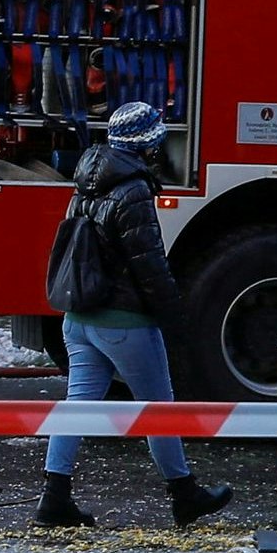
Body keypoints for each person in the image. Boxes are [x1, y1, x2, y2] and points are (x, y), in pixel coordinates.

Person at [38, 101, 233, 530]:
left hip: (80, 318)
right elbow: (150, 265)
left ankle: (54, 496)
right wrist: (176, 320)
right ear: (147, 145)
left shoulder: (85, 182)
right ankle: (184, 493)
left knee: (76, 408)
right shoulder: (133, 190)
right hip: (124, 322)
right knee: (157, 407)